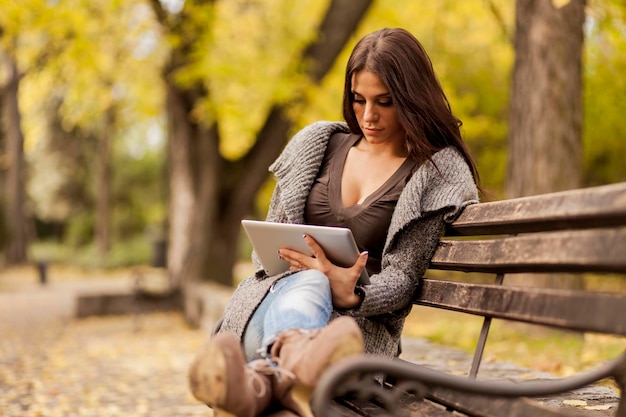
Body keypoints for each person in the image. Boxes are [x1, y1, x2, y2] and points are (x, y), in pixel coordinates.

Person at [188, 27, 480, 417]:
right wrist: (313, 275)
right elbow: (267, 252)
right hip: (272, 304)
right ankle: (293, 362)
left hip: (352, 331)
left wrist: (355, 293)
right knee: (310, 280)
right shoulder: (318, 144)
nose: (368, 116)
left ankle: (260, 381)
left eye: (385, 102)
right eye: (358, 100)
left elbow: (403, 277)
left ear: (412, 99)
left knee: (317, 287)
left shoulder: (435, 172)